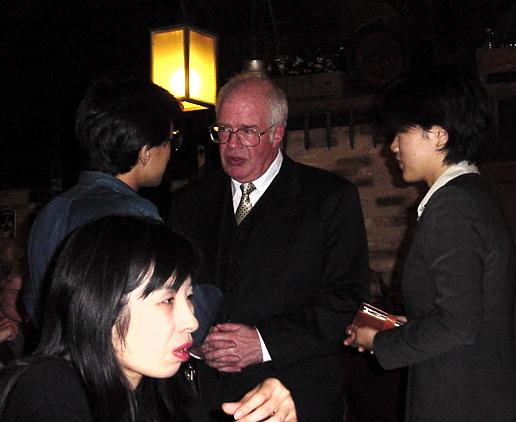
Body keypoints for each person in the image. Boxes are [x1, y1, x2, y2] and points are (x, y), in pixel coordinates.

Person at [168, 71, 370, 422]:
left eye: (248, 131)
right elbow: (168, 290)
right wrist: (195, 340)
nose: (232, 144)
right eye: (223, 130)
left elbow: (346, 301)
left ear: (277, 133)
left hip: (296, 396)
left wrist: (264, 342)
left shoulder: (329, 198)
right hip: (204, 400)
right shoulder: (188, 203)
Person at [0, 216, 297, 422]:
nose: (192, 322)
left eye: (189, 297)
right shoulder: (49, 388)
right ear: (100, 305)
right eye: (167, 300)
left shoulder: (164, 388)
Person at [344, 68, 516, 421]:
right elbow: (467, 309)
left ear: (438, 135)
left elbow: (458, 324)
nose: (393, 146)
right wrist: (410, 325)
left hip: (460, 400)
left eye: (400, 132)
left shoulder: (453, 205)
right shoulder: (473, 194)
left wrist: (379, 342)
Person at [25, 79, 183, 326]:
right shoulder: (135, 215)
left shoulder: (51, 211)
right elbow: (160, 309)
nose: (170, 151)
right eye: (169, 140)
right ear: (145, 151)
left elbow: (33, 303)